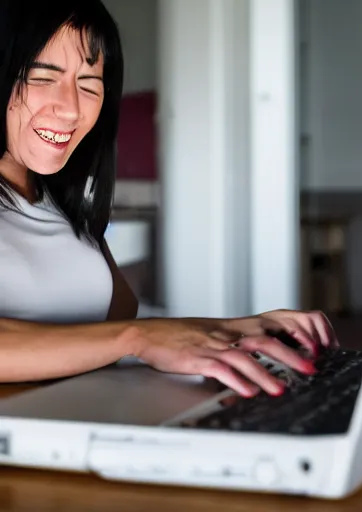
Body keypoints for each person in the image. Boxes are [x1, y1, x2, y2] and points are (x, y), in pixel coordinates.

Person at [0, 0, 338, 399]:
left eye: (90, 84)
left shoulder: (61, 202)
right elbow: (130, 335)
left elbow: (116, 329)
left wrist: (229, 331)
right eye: (43, 77)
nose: (71, 108)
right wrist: (137, 337)